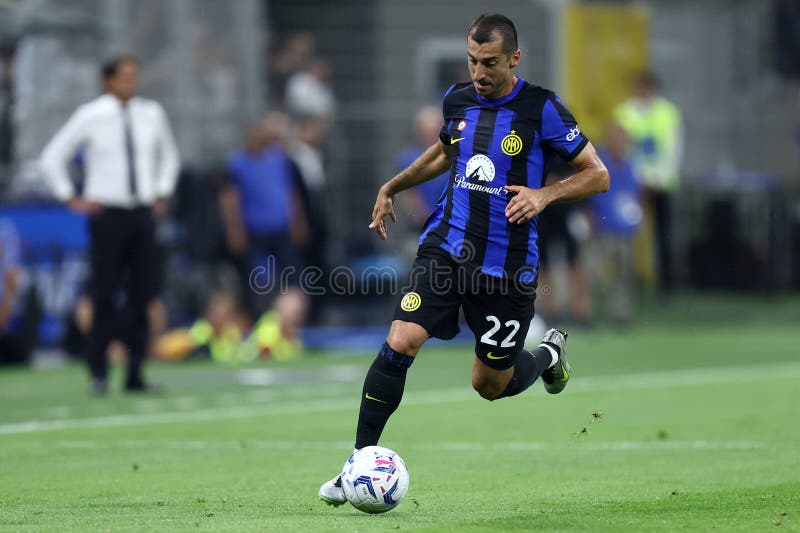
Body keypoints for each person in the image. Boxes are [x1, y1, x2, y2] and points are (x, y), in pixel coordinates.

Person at [319, 13, 609, 505]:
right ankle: (356, 464)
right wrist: (392, 186)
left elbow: (597, 174)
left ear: (514, 58)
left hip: (507, 270)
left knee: (489, 384)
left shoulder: (543, 109)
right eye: (473, 61)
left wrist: (543, 194)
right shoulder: (457, 99)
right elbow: (442, 152)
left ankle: (548, 356)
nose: (479, 72)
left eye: (490, 63)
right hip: (447, 249)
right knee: (401, 338)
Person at [40, 55, 179, 394]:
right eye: (124, 76)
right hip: (107, 215)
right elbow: (51, 157)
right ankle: (98, 373)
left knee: (142, 294)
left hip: (142, 213)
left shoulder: (151, 113)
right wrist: (69, 195)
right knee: (103, 294)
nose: (131, 82)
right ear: (108, 80)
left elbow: (169, 155)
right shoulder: (91, 115)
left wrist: (162, 190)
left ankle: (135, 372)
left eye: (135, 76)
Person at [613, 72, 682, 297]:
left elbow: (673, 150)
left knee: (663, 236)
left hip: (662, 185)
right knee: (629, 234)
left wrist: (659, 179)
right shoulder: (624, 112)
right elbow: (621, 149)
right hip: (633, 185)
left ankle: (665, 286)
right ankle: (634, 283)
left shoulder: (668, 112)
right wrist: (637, 180)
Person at [590, 124, 643, 326]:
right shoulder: (599, 162)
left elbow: (635, 194)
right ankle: (589, 312)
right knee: (595, 272)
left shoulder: (630, 165)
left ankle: (621, 315)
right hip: (603, 228)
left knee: (624, 275)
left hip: (625, 228)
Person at [395, 106, 450, 231]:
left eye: (434, 129)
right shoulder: (408, 159)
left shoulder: (454, 158)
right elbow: (408, 195)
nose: (431, 134)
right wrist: (426, 219)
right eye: (426, 130)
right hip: (419, 228)